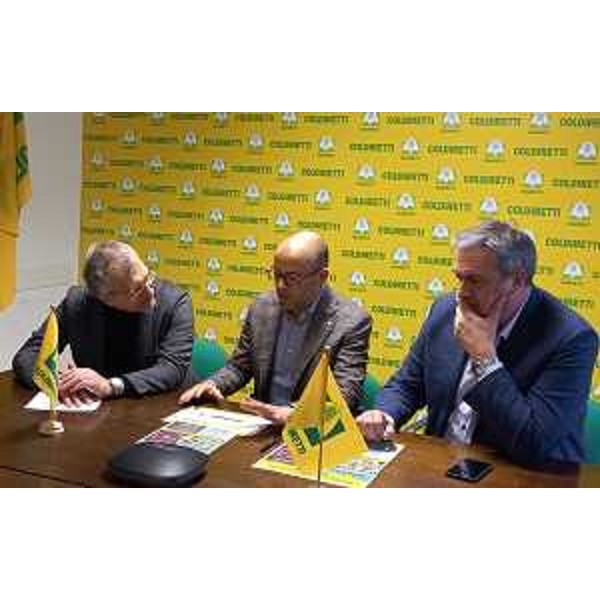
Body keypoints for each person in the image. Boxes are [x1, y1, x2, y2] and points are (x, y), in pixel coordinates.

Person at [358, 221, 598, 466]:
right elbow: (407, 384)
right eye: (459, 278)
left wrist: (485, 359)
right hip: (440, 465)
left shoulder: (570, 338)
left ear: (517, 280)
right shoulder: (446, 310)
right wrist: (384, 414)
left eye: (474, 280)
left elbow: (533, 443)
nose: (462, 292)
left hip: (524, 475)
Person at [179, 230, 372, 423]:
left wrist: (294, 413)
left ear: (322, 277)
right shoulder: (262, 307)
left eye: (291, 278)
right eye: (276, 274)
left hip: (310, 430)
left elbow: (345, 395)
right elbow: (239, 367)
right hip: (262, 422)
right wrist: (214, 384)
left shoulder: (352, 322)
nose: (280, 285)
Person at [13, 240, 194, 405]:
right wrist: (58, 382)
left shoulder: (175, 303)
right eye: (138, 288)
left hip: (162, 406)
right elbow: (27, 356)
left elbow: (172, 369)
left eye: (149, 277)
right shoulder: (77, 303)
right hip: (100, 413)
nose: (150, 291)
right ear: (104, 298)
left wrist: (110, 386)